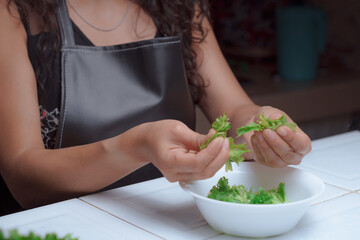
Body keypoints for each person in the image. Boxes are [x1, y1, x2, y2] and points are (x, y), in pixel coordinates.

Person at [0, 0, 311, 216]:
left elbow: (237, 110)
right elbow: (21, 175)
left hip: (165, 221)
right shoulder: (13, 11)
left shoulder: (181, 7)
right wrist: (133, 148)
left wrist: (260, 125)